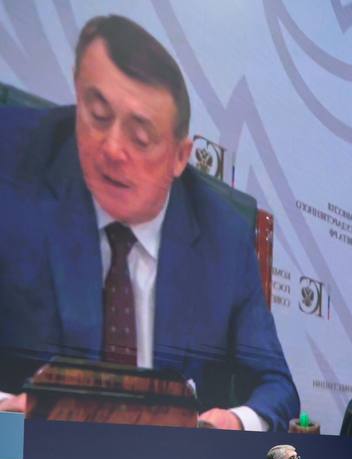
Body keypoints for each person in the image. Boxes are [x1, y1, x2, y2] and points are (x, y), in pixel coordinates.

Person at [0, 15, 298, 430]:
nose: (112, 149)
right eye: (97, 115)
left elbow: (276, 387)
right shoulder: (12, 165)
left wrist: (233, 423)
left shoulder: (225, 238)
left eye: (140, 138)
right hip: (22, 450)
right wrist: (6, 415)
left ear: (180, 157)